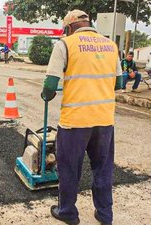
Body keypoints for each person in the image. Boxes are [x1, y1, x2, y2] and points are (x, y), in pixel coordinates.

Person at [42, 10, 122, 225]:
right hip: (104, 120)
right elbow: (120, 83)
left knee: (69, 168)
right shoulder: (111, 45)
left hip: (75, 121)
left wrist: (46, 94)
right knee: (103, 168)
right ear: (89, 24)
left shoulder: (65, 44)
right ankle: (105, 215)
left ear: (69, 27)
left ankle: (68, 212)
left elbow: (50, 86)